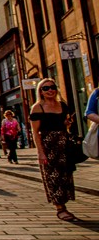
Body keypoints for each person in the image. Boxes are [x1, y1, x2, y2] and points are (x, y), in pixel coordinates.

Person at [30, 78, 78, 221]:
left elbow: (64, 125)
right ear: (41, 92)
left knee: (65, 175)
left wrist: (67, 124)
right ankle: (60, 208)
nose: (50, 90)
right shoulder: (38, 107)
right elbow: (35, 132)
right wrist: (40, 152)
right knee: (53, 176)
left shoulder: (62, 105)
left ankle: (64, 204)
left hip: (64, 144)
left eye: (52, 87)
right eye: (45, 88)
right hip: (48, 145)